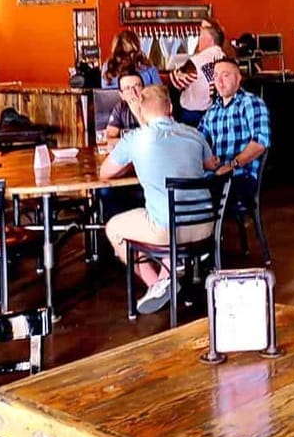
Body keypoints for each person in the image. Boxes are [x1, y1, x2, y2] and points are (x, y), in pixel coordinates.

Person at [100, 84, 217, 314]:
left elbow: (105, 172)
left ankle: (156, 284)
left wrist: (132, 162)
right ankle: (172, 270)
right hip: (205, 225)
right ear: (171, 107)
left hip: (167, 230)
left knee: (114, 227)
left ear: (141, 113)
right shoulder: (194, 134)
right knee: (156, 213)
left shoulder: (135, 139)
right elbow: (210, 164)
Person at [199, 59, 271, 212]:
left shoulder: (250, 103)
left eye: (225, 75)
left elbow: (260, 142)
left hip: (241, 177)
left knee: (196, 197)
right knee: (179, 191)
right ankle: (203, 235)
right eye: (216, 75)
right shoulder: (212, 111)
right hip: (215, 176)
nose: (219, 81)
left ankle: (210, 235)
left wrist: (231, 165)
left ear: (238, 78)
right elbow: (197, 141)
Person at [168, 18, 226, 126]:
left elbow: (176, 83)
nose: (199, 40)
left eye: (200, 35)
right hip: (214, 113)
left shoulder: (197, 61)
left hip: (191, 115)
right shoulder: (224, 58)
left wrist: (175, 73)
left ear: (209, 39)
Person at [105, 70, 143, 141]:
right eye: (127, 88)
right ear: (121, 95)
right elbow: (110, 136)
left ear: (144, 89)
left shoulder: (153, 105)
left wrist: (138, 113)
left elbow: (155, 136)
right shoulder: (120, 107)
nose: (133, 92)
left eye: (136, 86)